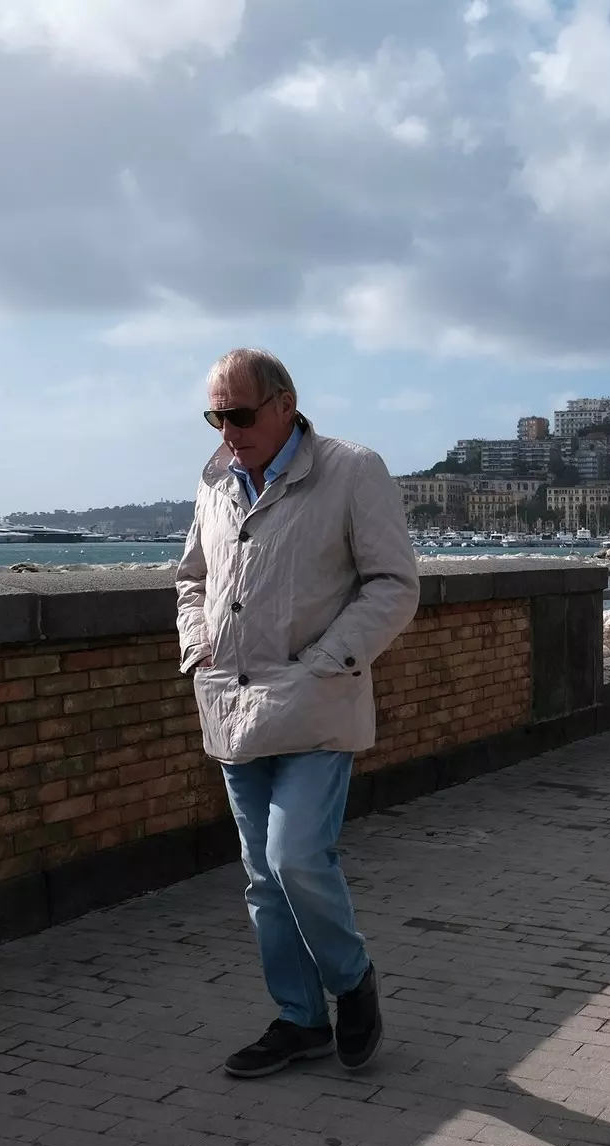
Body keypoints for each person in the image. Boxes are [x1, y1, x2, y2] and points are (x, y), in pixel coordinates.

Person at [176, 347, 419, 1079]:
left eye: (241, 415)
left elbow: (393, 584)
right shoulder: (215, 478)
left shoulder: (351, 469)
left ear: (285, 404)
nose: (228, 431)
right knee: (261, 876)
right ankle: (299, 1017)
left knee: (296, 857)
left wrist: (326, 664)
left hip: (314, 705)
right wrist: (198, 649)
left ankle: (350, 981)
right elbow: (191, 578)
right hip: (232, 704)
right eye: (216, 416)